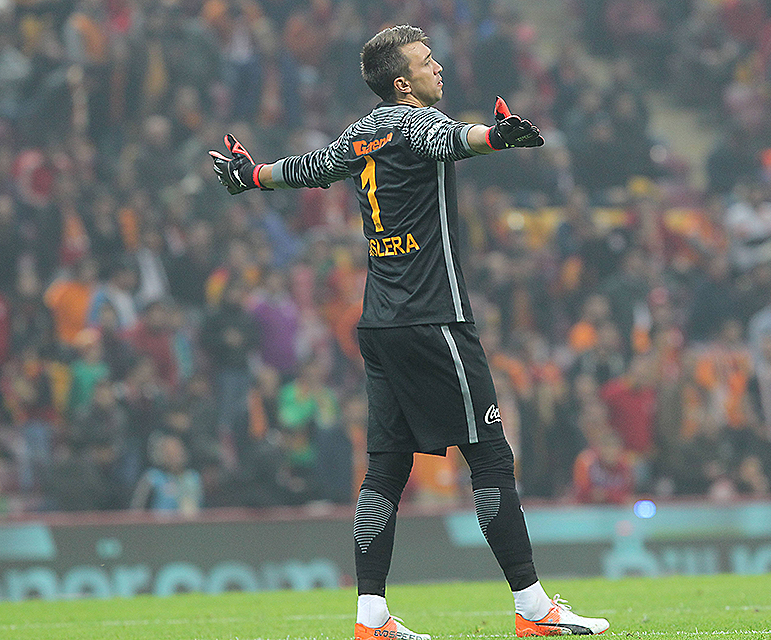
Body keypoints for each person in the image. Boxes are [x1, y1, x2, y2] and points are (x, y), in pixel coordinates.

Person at [211, 24, 608, 639]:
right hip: (436, 319)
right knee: (491, 456)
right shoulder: (416, 122)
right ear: (404, 83)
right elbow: (451, 138)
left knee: (385, 469)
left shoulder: (358, 133)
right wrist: (494, 138)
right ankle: (533, 607)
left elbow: (307, 169)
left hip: (379, 325)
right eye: (427, 63)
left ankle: (371, 619)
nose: (438, 70)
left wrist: (251, 175)